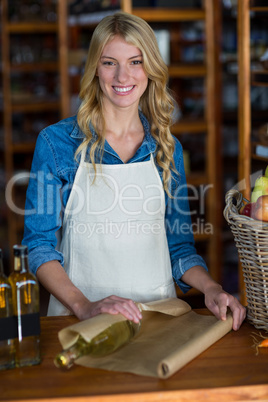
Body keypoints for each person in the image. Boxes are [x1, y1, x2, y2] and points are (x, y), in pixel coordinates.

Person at [22, 11, 246, 330]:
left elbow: (178, 245)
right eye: (109, 62)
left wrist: (212, 289)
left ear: (150, 69)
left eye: (135, 62)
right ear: (95, 70)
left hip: (158, 317)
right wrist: (84, 306)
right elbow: (38, 245)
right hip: (81, 321)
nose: (122, 77)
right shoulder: (57, 143)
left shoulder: (167, 148)